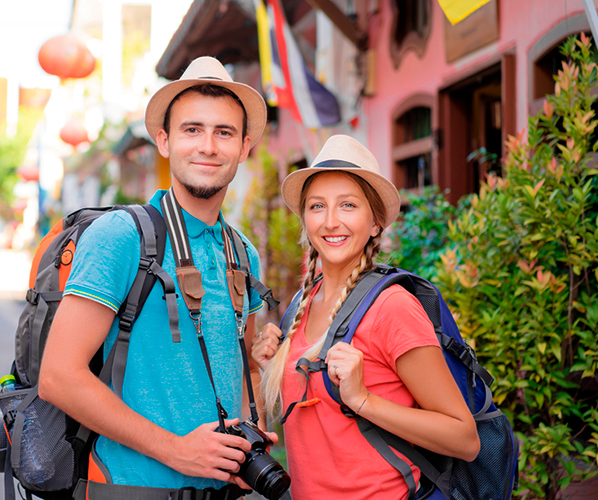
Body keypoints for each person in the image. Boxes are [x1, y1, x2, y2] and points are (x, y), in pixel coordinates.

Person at [39, 56, 276, 499]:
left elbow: (242, 369)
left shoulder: (242, 252)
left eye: (224, 133)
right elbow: (59, 376)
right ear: (164, 142)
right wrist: (176, 451)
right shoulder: (122, 237)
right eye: (192, 130)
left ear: (244, 148)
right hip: (131, 490)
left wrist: (250, 434)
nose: (208, 145)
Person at [251, 135, 480, 499]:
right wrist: (270, 369)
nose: (330, 221)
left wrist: (363, 401)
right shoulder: (301, 304)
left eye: (347, 205)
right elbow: (312, 423)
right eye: (316, 206)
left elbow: (465, 439)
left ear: (375, 223)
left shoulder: (392, 307)